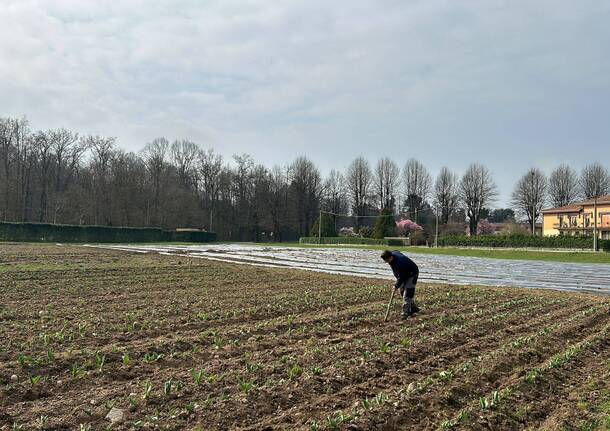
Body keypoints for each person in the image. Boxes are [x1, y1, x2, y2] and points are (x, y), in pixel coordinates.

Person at [381, 250, 420, 319]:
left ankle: (405, 313)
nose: (386, 262)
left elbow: (402, 277)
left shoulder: (400, 263)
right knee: (402, 292)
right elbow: (397, 251)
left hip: (412, 273)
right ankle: (414, 308)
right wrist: (397, 284)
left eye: (386, 260)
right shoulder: (393, 254)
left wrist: (396, 285)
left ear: (390, 257)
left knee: (407, 294)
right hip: (404, 273)